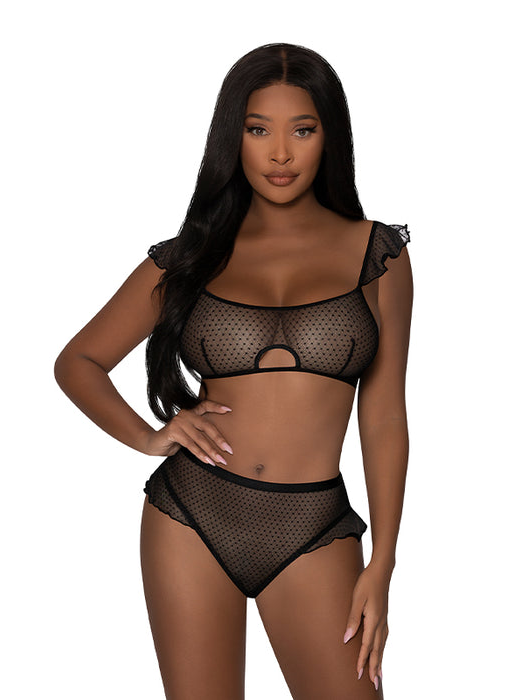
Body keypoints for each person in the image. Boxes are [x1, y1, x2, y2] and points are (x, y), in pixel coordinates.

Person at [54, 42, 413, 700]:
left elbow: (385, 414)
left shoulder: (375, 256)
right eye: (258, 130)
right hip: (191, 516)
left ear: (329, 137)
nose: (280, 154)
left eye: (301, 130)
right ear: (233, 137)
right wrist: (149, 436)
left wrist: (383, 560)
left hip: (315, 526)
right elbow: (78, 362)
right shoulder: (190, 258)